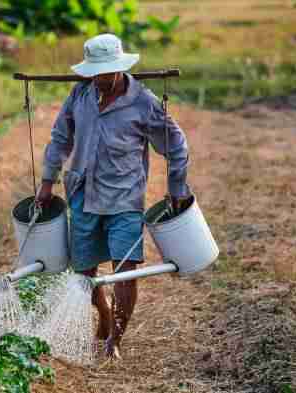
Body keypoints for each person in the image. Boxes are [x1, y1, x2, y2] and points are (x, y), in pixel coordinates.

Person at [35, 34, 191, 358]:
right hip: (83, 195)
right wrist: (47, 181)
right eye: (96, 73)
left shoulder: (143, 103)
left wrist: (177, 188)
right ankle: (104, 315)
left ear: (120, 68)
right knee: (84, 275)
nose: (101, 79)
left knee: (126, 271)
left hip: (125, 199)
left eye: (107, 73)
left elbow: (176, 145)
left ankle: (114, 341)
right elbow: (60, 138)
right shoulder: (79, 95)